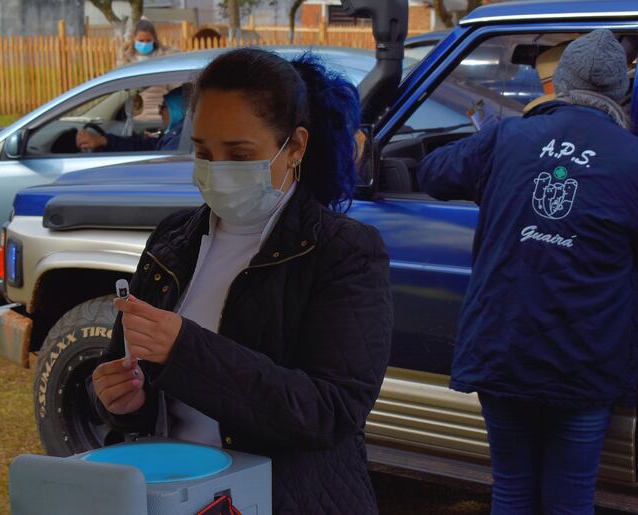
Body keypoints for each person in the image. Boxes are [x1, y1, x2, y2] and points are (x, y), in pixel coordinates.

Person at [88, 48, 393, 513]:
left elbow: (330, 412)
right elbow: (132, 373)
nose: (217, 169)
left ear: (294, 147)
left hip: (284, 499)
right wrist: (125, 399)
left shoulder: (343, 252)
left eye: (239, 153)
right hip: (180, 493)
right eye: (203, 151)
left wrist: (186, 351)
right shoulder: (174, 239)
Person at [416, 29, 638, 514]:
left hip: (504, 351)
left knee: (512, 490)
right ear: (622, 94)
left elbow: (431, 172)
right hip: (585, 365)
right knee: (571, 496)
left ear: (556, 83)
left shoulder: (506, 136)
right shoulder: (632, 161)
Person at [75, 85, 187, 152]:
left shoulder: (177, 143)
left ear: (177, 110)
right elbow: (145, 147)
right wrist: (103, 141)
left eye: (163, 107)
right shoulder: (176, 136)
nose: (159, 111)